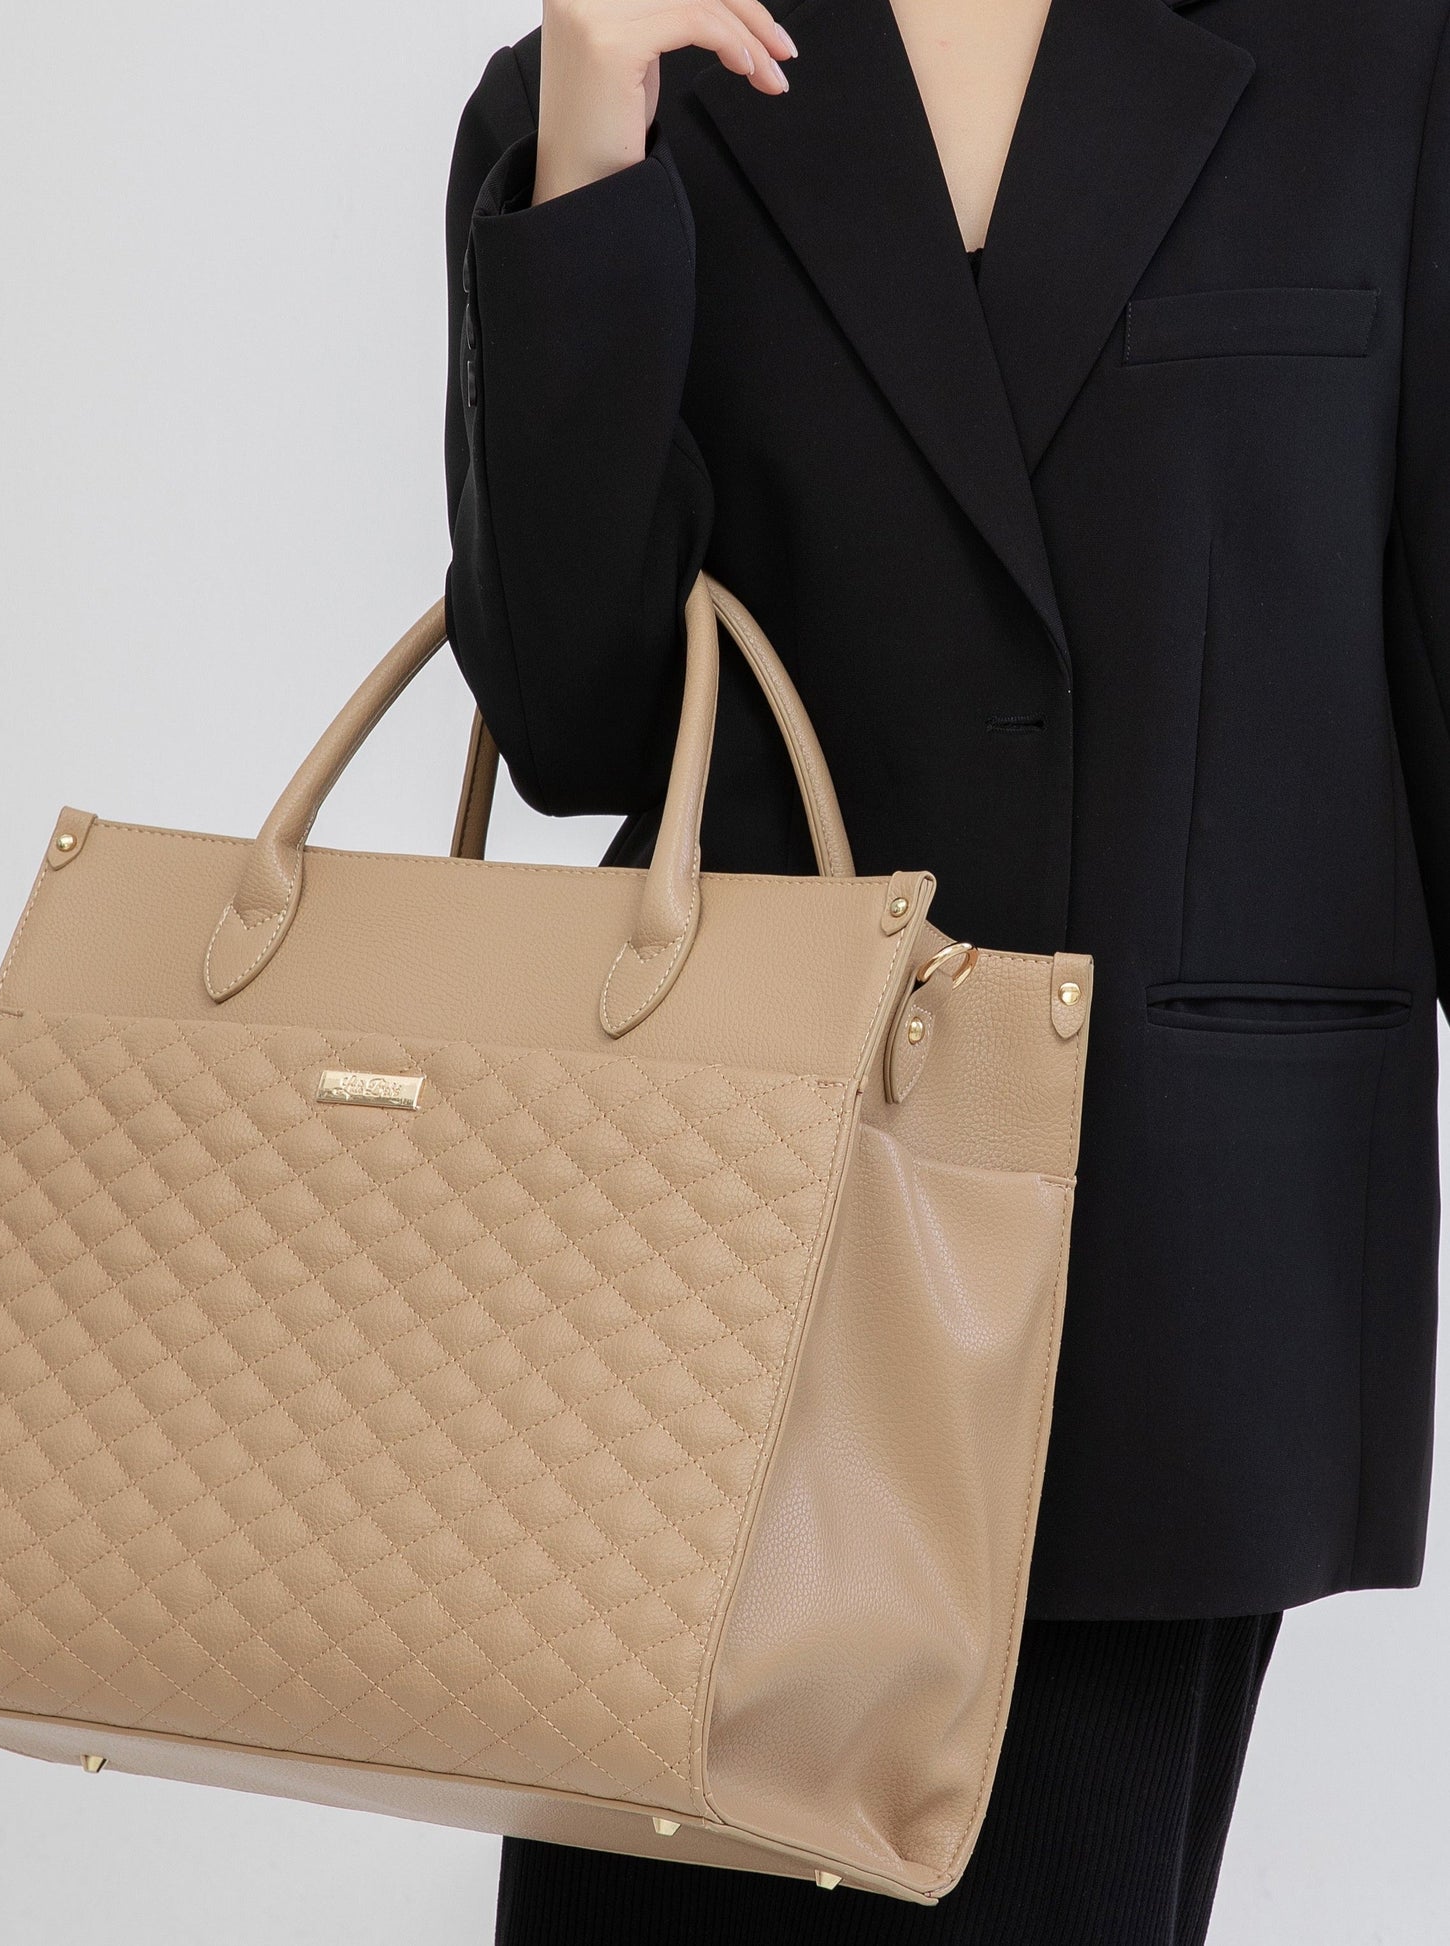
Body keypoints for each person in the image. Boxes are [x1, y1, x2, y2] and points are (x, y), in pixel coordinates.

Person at [441, 0, 1450, 1939]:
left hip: (1158, 1274)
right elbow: (570, 716)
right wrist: (586, 146)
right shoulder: (604, 85)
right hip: (707, 1286)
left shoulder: (1375, 64)